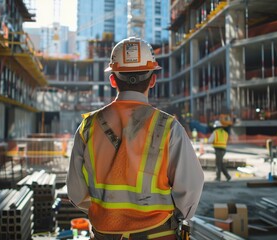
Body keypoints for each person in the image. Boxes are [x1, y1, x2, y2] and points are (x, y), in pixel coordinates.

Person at [67, 37, 204, 240]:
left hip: (104, 233)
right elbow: (191, 187)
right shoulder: (168, 128)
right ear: (153, 80)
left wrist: (106, 216)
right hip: (159, 234)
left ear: (113, 80)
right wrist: (176, 216)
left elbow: (76, 192)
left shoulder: (88, 127)